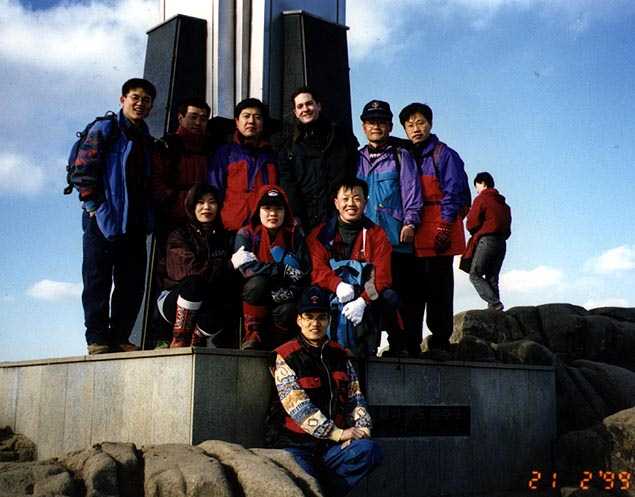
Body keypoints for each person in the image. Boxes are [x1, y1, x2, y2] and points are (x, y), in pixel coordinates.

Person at [266, 285, 383, 497]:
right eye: (309, 317)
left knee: (369, 450)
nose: (315, 323)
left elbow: (355, 397)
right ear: (299, 320)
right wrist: (338, 434)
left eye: (321, 317)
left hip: (330, 447)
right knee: (309, 485)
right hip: (295, 446)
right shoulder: (285, 355)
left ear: (329, 320)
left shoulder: (339, 355)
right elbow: (298, 407)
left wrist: (363, 429)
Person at [71, 78, 157, 355]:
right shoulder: (105, 129)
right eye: (135, 97)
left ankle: (120, 337)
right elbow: (83, 170)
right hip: (102, 219)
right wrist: (95, 208)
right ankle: (97, 339)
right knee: (97, 280)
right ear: (123, 100)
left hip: (134, 222)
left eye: (146, 100)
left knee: (131, 284)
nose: (140, 103)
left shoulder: (146, 139)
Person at [398, 102, 471, 358]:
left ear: (430, 124)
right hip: (415, 232)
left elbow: (455, 192)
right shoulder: (406, 155)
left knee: (439, 289)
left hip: (439, 230)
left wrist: (445, 226)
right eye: (409, 125)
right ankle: (412, 343)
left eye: (420, 123)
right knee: (413, 291)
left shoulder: (445, 155)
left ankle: (440, 342)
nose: (415, 129)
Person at [356, 100, 423, 356]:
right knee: (370, 292)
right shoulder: (357, 158)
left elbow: (412, 191)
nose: (376, 126)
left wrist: (410, 222)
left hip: (396, 238)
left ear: (390, 126)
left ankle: (404, 346)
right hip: (367, 242)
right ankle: (369, 346)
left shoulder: (401, 156)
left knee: (401, 294)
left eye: (382, 122)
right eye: (371, 122)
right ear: (364, 126)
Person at [306, 178, 400, 357]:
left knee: (390, 297)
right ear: (336, 203)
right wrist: (336, 285)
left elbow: (382, 276)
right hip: (331, 292)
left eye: (357, 198)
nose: (351, 204)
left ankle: (390, 346)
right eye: (345, 199)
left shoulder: (377, 234)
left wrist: (363, 301)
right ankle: (316, 347)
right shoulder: (319, 234)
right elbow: (317, 269)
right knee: (310, 295)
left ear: (365, 202)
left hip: (365, 292)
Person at [156, 184, 235, 347]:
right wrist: (227, 266)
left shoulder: (225, 237)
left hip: (208, 301)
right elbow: (191, 271)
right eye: (200, 202)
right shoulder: (179, 235)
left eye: (212, 202)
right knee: (194, 283)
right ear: (192, 206)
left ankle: (197, 336)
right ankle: (180, 337)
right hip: (175, 300)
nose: (206, 207)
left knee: (229, 298)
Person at [231, 185, 310, 350]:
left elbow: (304, 270)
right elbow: (247, 269)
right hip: (256, 294)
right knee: (257, 283)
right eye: (267, 208)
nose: (273, 214)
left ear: (285, 212)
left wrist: (288, 276)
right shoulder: (246, 234)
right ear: (258, 210)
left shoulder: (294, 234)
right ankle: (252, 334)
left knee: (289, 309)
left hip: (284, 293)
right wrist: (281, 270)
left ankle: (276, 343)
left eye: (278, 209)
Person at [278, 86, 359, 231]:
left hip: (338, 217)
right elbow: (288, 183)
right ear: (295, 112)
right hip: (305, 220)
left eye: (309, 103)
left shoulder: (341, 137)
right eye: (300, 106)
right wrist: (295, 214)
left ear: (319, 106)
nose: (305, 109)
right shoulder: (288, 145)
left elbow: (354, 171)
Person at [208, 98, 278, 233]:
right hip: (230, 227)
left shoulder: (272, 156)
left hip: (264, 229)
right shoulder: (225, 153)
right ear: (237, 121)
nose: (251, 121)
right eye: (246, 116)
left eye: (257, 117)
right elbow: (214, 190)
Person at [151, 97, 214, 232]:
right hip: (173, 219)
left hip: (204, 218)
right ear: (180, 118)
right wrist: (180, 203)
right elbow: (156, 183)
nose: (198, 122)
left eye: (203, 119)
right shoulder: (166, 146)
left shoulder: (212, 148)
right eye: (193, 117)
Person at [461, 172, 512, 311]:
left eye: (476, 186)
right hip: (501, 243)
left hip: (487, 241)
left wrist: (476, 229)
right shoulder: (504, 205)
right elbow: (507, 227)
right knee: (492, 277)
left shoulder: (482, 199)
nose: (476, 190)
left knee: (475, 274)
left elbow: (471, 223)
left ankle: (495, 304)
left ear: (483, 183)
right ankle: (495, 310)